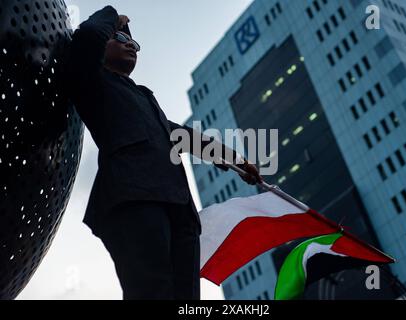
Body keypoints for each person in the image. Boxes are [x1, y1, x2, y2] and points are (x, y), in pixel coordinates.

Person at [65, 6, 262, 300]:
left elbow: (186, 137)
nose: (131, 44)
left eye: (134, 42)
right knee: (152, 291)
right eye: (120, 37)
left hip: (180, 209)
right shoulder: (90, 78)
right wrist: (112, 15)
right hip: (133, 198)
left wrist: (236, 161)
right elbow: (88, 36)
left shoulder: (144, 97)